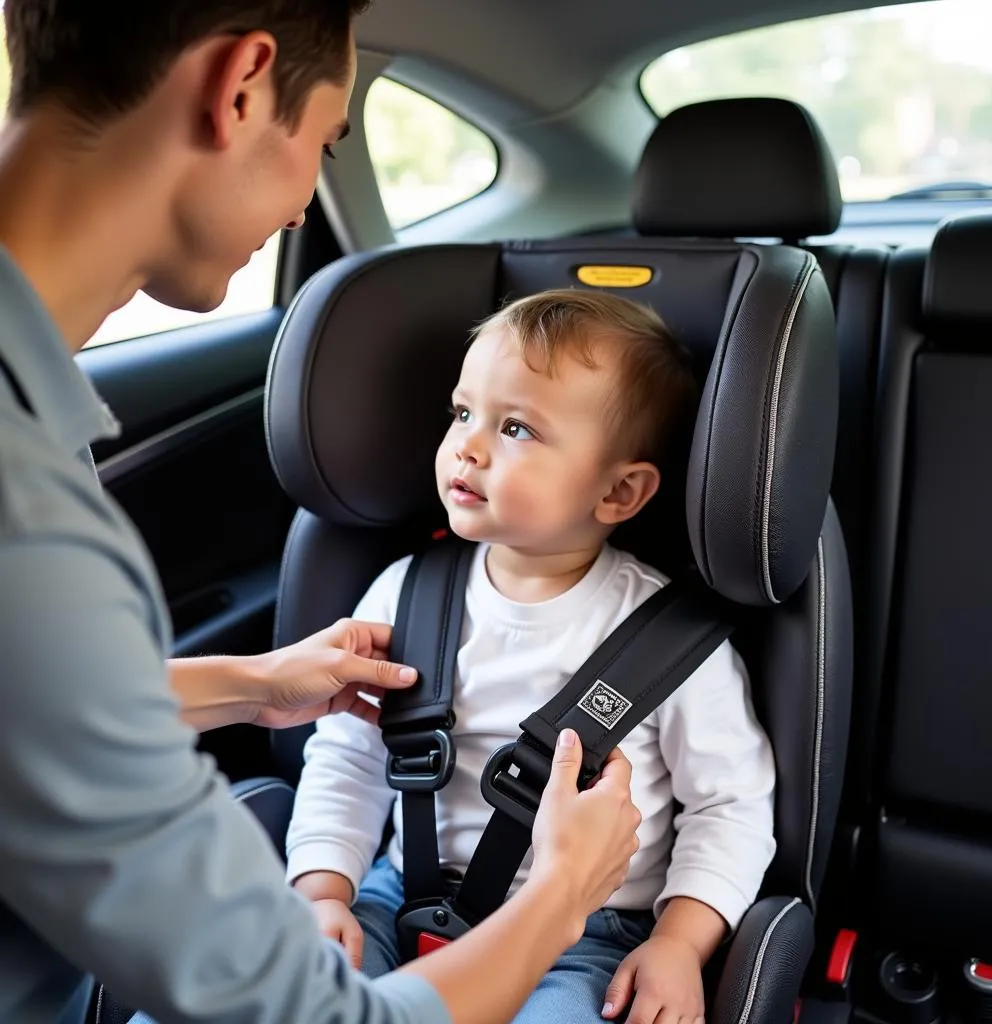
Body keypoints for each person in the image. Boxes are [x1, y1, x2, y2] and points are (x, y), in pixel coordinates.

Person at [0, 2, 644, 1023]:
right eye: (324, 141)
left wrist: (251, 684)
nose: (307, 202)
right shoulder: (27, 514)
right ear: (243, 87)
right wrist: (565, 890)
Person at [286, 290, 778, 1024]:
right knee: (274, 988)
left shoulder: (667, 644)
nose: (468, 446)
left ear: (618, 491)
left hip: (588, 935)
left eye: (515, 427)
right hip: (397, 897)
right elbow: (349, 759)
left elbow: (729, 806)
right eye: (462, 414)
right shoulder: (404, 596)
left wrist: (680, 942)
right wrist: (322, 892)